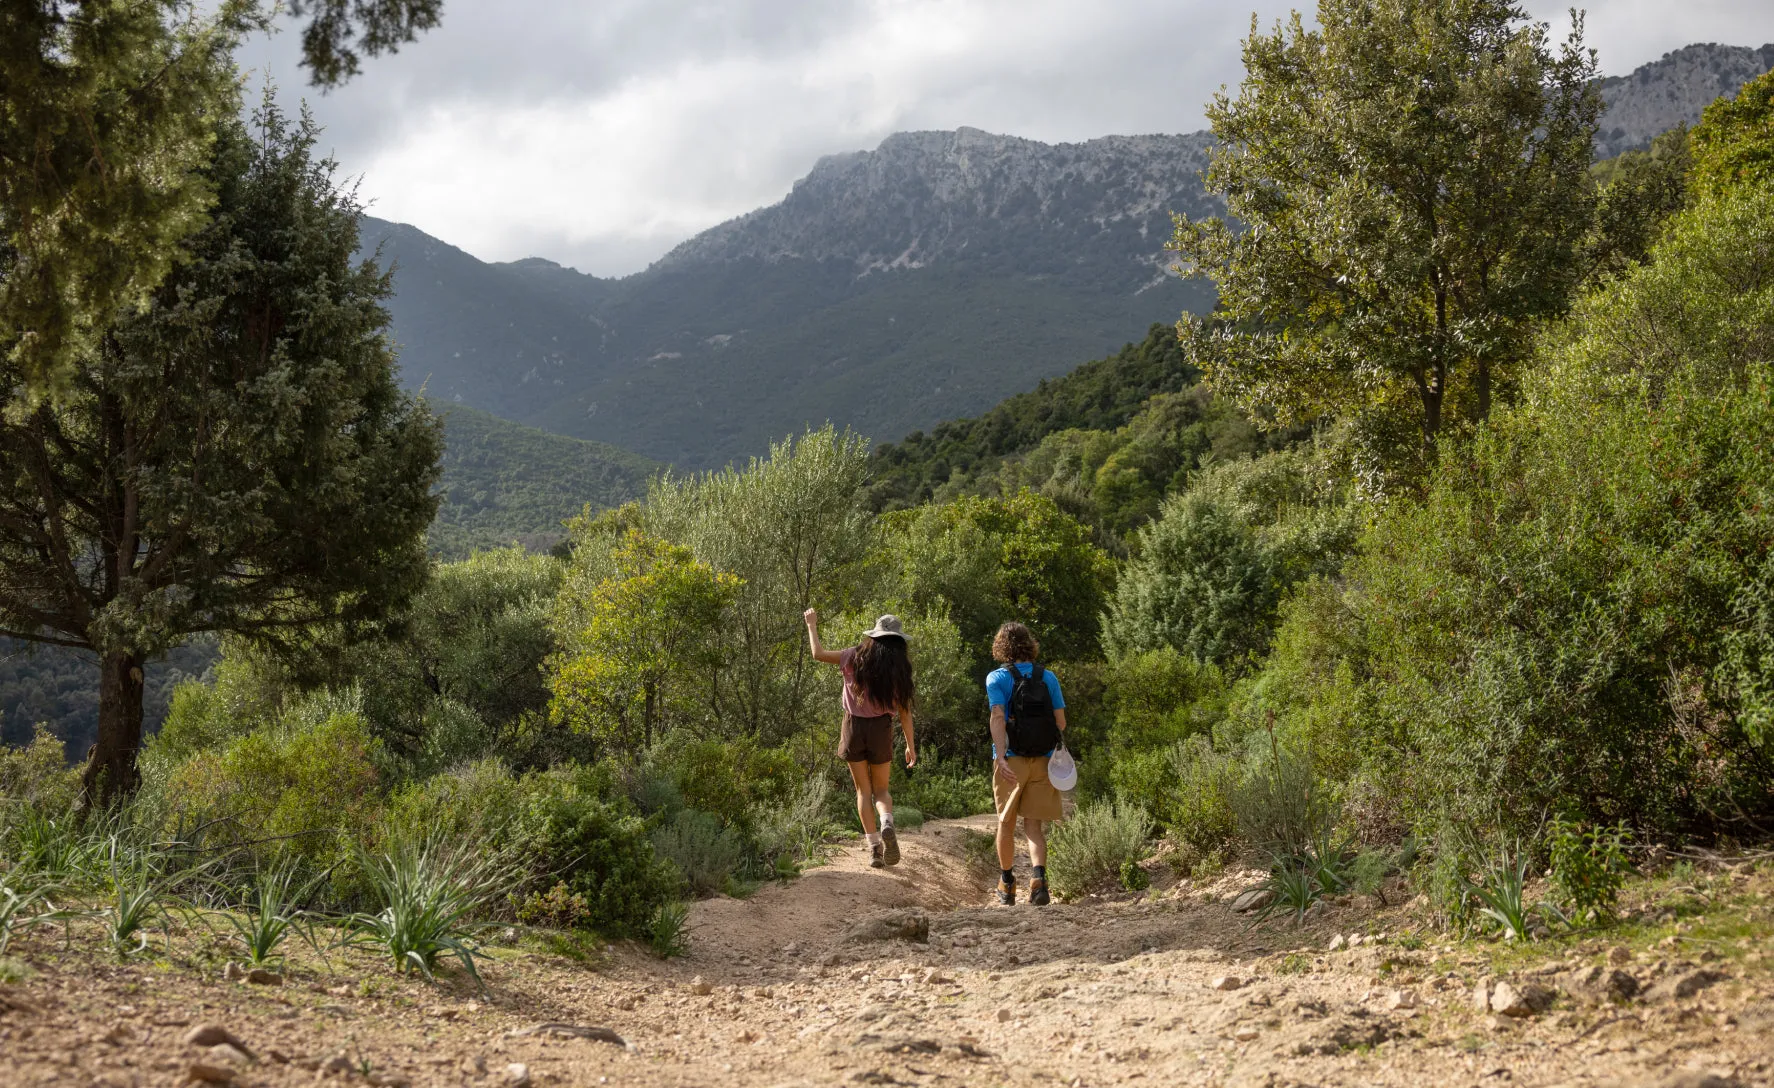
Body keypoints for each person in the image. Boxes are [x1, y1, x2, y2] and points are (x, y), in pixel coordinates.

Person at [804, 609, 917, 868]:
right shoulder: (899, 669)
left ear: (874, 636)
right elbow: (905, 713)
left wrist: (812, 624)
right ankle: (886, 821)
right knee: (881, 790)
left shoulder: (854, 656)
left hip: (853, 728)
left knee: (862, 791)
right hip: (881, 730)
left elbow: (818, 654)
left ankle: (875, 849)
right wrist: (910, 746)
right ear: (899, 641)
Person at [986, 621, 1066, 906]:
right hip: (1043, 760)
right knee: (1034, 827)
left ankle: (1007, 884)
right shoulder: (1048, 677)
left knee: (1006, 823)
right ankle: (1039, 881)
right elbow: (1061, 722)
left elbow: (997, 716)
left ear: (1001, 647)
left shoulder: (997, 678)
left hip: (1012, 761)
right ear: (1029, 645)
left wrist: (1001, 756)